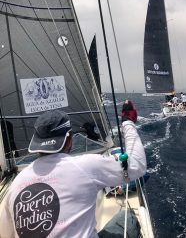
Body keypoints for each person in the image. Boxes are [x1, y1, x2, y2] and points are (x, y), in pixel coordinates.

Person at [0, 100, 146, 238]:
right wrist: (128, 122)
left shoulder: (16, 183)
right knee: (128, 218)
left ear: (36, 143)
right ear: (69, 139)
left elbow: (6, 233)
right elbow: (137, 165)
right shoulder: (85, 166)